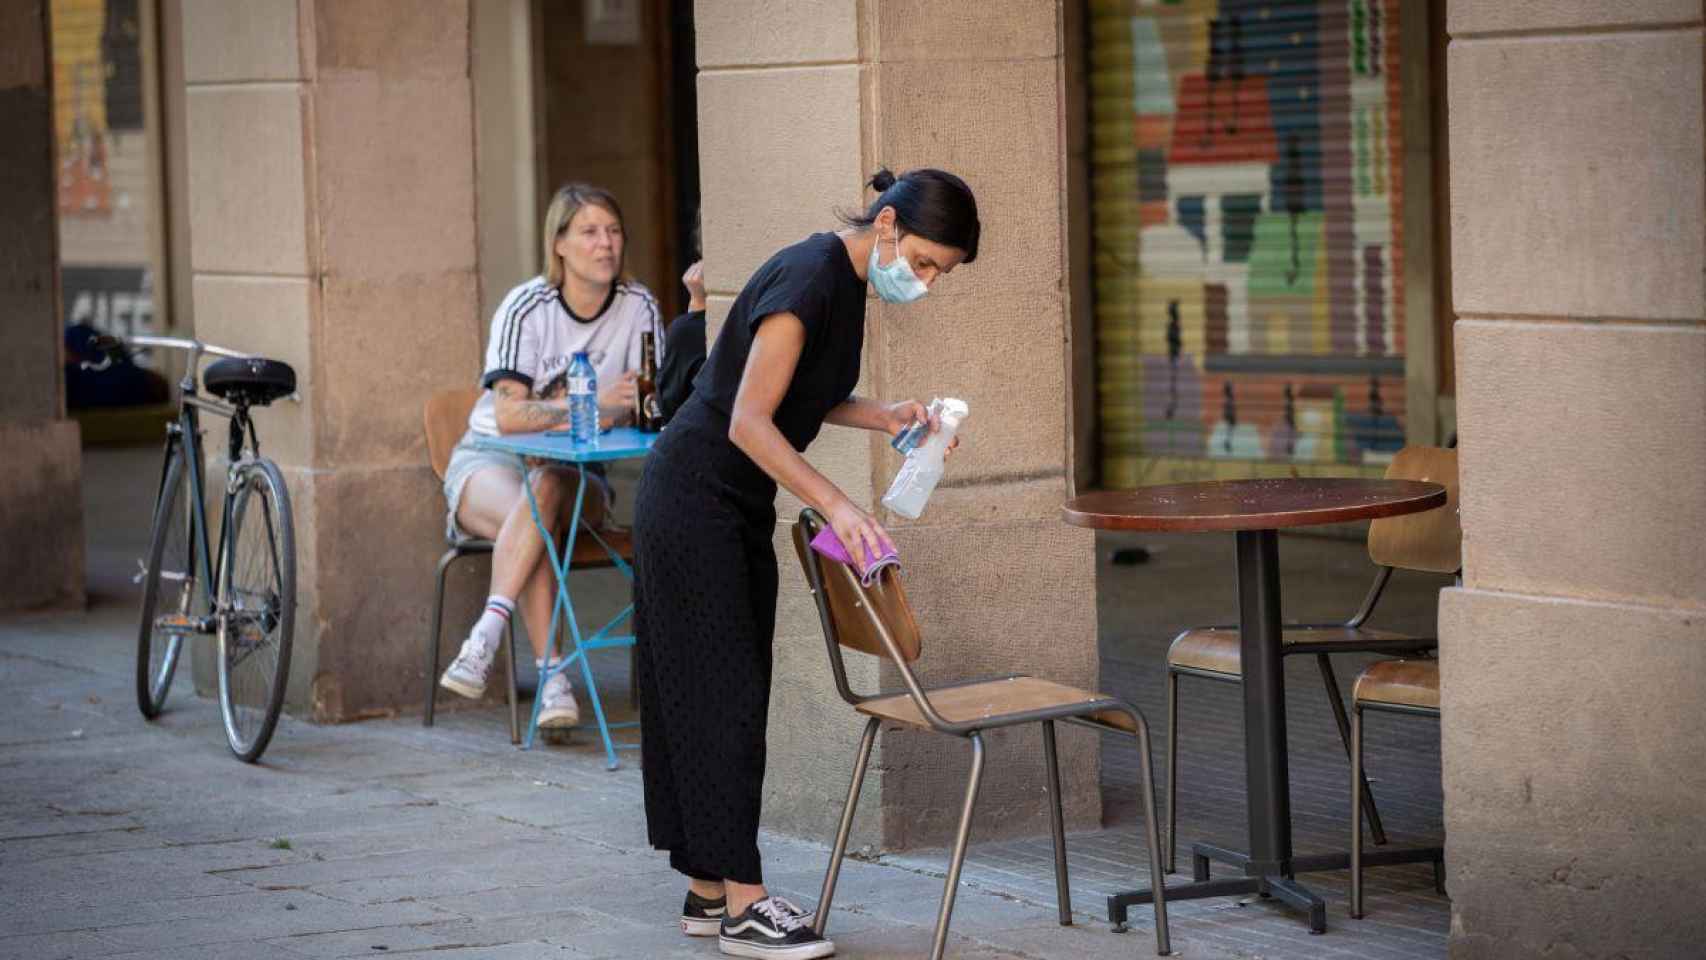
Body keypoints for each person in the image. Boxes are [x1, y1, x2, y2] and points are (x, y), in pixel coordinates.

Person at [633, 167, 979, 959]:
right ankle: (748, 908)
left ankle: (709, 888)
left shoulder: (843, 283)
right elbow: (750, 422)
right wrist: (841, 505)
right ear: (886, 223)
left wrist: (883, 414)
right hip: (695, 497)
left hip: (726, 506)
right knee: (722, 697)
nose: (924, 283)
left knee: (717, 690)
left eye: (940, 275)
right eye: (924, 261)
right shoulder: (809, 276)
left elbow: (795, 395)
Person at [439, 183, 663, 730]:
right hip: (491, 460)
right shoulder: (526, 307)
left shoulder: (639, 308)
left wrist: (610, 409)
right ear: (559, 243)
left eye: (613, 232)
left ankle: (490, 634)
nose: (605, 244)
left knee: (546, 494)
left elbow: (651, 405)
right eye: (589, 232)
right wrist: (600, 403)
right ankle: (552, 682)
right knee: (536, 509)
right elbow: (510, 417)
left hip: (582, 476)